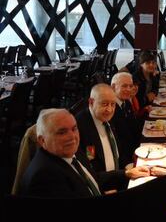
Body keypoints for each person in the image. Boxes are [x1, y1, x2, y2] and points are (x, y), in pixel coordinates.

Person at [20, 108, 150, 198]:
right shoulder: (44, 175)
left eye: (74, 128)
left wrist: (126, 173)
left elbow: (92, 178)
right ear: (42, 140)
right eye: (61, 132)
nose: (72, 137)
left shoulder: (70, 151)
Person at [76, 84, 130, 173]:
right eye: (104, 104)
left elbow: (119, 149)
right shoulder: (80, 126)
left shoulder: (107, 116)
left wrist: (128, 165)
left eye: (113, 104)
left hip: (119, 174)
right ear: (91, 102)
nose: (109, 109)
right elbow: (90, 163)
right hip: (103, 182)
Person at [111, 72, 143, 160]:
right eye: (124, 86)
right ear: (113, 87)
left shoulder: (126, 102)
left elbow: (135, 129)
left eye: (130, 86)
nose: (129, 89)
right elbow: (119, 142)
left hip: (136, 150)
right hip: (125, 158)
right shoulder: (111, 109)